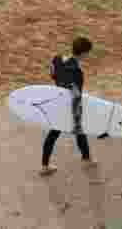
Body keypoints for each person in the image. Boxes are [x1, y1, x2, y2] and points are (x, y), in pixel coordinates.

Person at [40, 37, 95, 176]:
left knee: (53, 134)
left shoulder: (57, 59)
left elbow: (52, 74)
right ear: (84, 54)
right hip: (69, 105)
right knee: (78, 129)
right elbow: (76, 94)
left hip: (58, 103)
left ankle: (45, 166)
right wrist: (77, 113)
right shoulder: (77, 71)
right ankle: (86, 159)